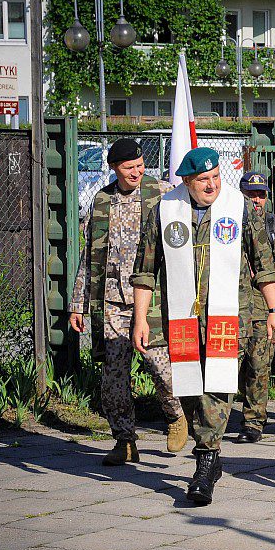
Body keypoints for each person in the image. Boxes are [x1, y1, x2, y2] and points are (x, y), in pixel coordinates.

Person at [131, 147, 275, 505]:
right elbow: (145, 270)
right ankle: (210, 453)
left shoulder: (239, 207)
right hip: (183, 317)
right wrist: (140, 319)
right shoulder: (165, 210)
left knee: (217, 386)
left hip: (230, 315)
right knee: (189, 390)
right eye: (203, 179)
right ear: (187, 181)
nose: (212, 184)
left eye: (216, 176)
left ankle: (204, 461)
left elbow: (263, 263)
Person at [68, 138, 187, 466]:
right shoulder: (102, 200)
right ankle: (124, 440)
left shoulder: (163, 193)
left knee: (161, 367)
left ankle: (176, 415)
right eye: (128, 167)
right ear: (114, 168)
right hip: (112, 300)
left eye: (140, 166)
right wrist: (78, 303)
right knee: (114, 378)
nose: (136, 172)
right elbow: (89, 254)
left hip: (152, 298)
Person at [236, 171, 275, 443]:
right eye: (251, 194)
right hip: (234, 303)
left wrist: (267, 273)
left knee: (259, 366)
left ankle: (253, 422)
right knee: (232, 365)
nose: (256, 200)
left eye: (261, 195)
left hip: (262, 303)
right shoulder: (230, 223)